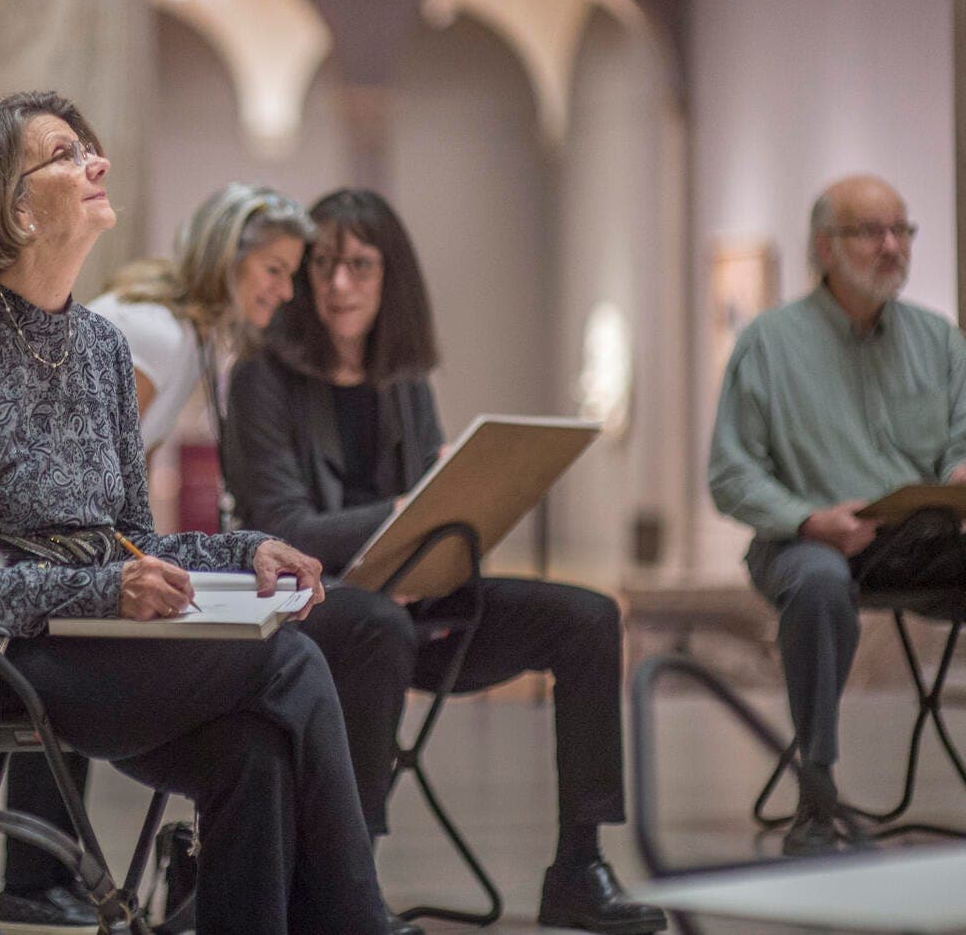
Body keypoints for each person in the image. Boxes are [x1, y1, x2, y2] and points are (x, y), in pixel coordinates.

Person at [0, 91, 390, 935]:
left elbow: (134, 539)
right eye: (68, 154)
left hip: (74, 640)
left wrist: (247, 551)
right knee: (287, 665)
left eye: (89, 149)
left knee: (252, 754)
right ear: (15, 206)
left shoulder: (103, 347)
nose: (97, 163)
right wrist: (103, 592)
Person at [226, 188, 667, 935]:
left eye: (361, 266)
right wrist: (395, 522)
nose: (339, 285)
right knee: (375, 627)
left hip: (419, 604)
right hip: (311, 614)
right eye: (324, 265)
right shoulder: (260, 379)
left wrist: (476, 500)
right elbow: (279, 526)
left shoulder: (405, 381)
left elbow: (439, 513)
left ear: (390, 277)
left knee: (589, 618)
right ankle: (345, 888)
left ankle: (579, 868)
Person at [0, 182, 325, 932]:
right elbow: (85, 477)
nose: (284, 289)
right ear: (226, 257)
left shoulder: (192, 336)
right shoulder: (157, 334)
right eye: (272, 268)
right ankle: (33, 876)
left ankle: (39, 875)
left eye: (289, 273)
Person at [709, 174, 966, 856]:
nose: (892, 246)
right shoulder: (768, 345)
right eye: (871, 231)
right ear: (823, 248)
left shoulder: (939, 341)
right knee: (819, 583)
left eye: (902, 230)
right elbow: (730, 474)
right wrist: (809, 519)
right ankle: (817, 794)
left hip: (920, 540)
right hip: (807, 543)